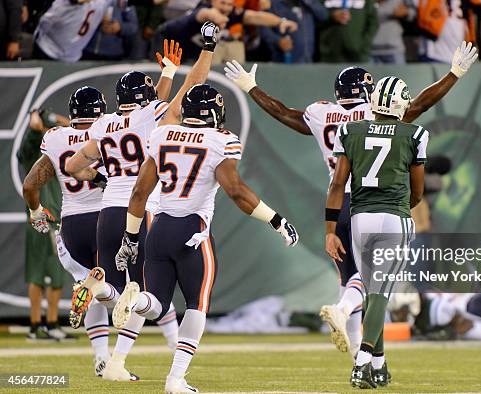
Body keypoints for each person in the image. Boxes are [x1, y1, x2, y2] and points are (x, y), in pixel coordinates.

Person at [223, 40, 477, 356]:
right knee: (371, 278)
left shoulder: (320, 113)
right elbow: (420, 105)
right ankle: (343, 311)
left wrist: (251, 87)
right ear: (366, 91)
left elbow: (284, 114)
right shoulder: (374, 112)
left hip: (335, 203)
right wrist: (453, 74)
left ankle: (359, 356)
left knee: (349, 279)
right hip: (368, 201)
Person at [110, 23, 298, 393]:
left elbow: (138, 193)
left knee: (157, 302)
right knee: (196, 307)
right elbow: (237, 192)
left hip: (159, 229)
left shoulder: (162, 133)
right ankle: (175, 379)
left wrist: (131, 239)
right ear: (212, 112)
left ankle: (137, 300)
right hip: (193, 232)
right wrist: (276, 219)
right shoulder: (220, 139)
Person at [65, 40, 183, 382]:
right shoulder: (151, 115)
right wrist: (177, 71)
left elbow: (73, 165)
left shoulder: (103, 125)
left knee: (113, 291)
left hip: (108, 210)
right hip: (141, 206)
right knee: (146, 292)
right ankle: (124, 360)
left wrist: (100, 175)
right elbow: (164, 106)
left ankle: (94, 287)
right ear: (146, 98)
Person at [324, 76, 427, 388]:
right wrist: (399, 206)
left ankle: (380, 366)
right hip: (393, 216)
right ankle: (363, 361)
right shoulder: (415, 133)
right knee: (382, 292)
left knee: (373, 292)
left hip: (359, 217)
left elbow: (338, 185)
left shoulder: (349, 131)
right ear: (399, 104)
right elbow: (418, 192)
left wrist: (330, 230)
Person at [22, 86, 114, 375]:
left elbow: (29, 185)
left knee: (90, 283)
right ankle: (120, 361)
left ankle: (101, 359)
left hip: (71, 226)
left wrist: (36, 211)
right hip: (105, 219)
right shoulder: (109, 130)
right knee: (129, 290)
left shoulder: (55, 138)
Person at [17, 109, 73, 342]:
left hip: (50, 217)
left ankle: (43, 325)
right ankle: (42, 324)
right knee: (43, 274)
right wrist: (36, 120)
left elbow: (74, 128)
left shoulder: (56, 150)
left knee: (48, 273)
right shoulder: (34, 150)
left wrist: (53, 118)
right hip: (44, 217)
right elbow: (33, 134)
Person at [158, 0, 298, 62]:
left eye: (229, 4)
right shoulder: (203, 9)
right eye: (222, 3)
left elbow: (255, 16)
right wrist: (219, 19)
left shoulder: (230, 13)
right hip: (162, 42)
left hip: (185, 55)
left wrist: (281, 21)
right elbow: (209, 14)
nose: (226, 7)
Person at [33, 0, 116, 62]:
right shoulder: (63, 4)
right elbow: (44, 23)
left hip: (71, 57)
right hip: (48, 50)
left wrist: (107, 15)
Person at [259, 0, 329, 63]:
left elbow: (323, 16)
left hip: (308, 57)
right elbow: (263, 28)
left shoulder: (307, 4)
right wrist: (277, 40)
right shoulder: (273, 3)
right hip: (283, 58)